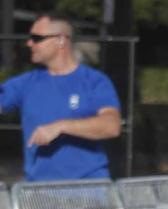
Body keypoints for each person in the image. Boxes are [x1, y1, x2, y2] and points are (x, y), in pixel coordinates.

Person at [0, 14, 122, 181]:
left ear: (61, 40)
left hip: (89, 192)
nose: (29, 43)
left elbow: (111, 126)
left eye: (37, 38)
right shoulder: (26, 83)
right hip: (38, 193)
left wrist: (60, 126)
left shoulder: (94, 81)